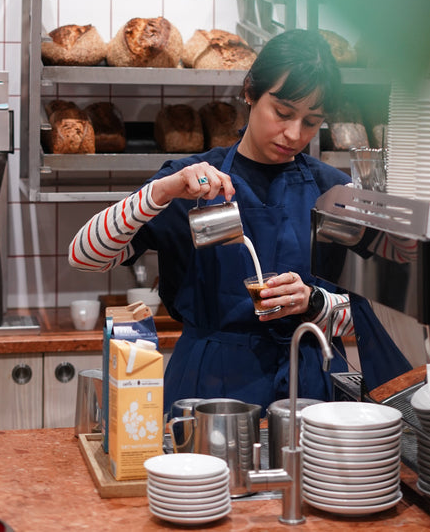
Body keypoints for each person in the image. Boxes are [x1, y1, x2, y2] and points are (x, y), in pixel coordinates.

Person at [69, 28, 408, 414]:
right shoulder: (190, 182)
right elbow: (85, 256)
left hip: (306, 388)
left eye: (312, 121)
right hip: (207, 391)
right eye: (282, 113)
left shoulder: (332, 191)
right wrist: (159, 192)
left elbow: (369, 317)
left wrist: (314, 302)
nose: (294, 134)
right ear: (249, 92)